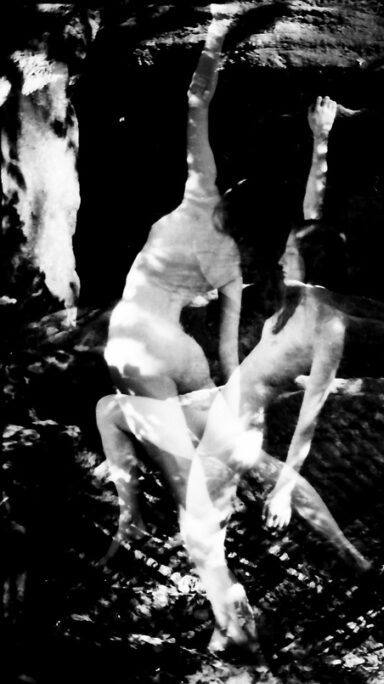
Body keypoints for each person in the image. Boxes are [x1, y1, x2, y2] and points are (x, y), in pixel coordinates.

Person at [96, 90, 371, 658]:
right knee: (112, 411)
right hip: (225, 407)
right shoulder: (299, 291)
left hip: (234, 423)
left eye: (291, 258)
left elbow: (311, 416)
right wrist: (321, 140)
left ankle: (236, 627)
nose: (282, 261)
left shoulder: (327, 326)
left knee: (202, 529)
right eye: (288, 255)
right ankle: (344, 564)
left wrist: (285, 490)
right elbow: (311, 213)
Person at [101, 11, 243, 552]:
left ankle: (197, 555)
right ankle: (175, 521)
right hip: (182, 354)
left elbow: (196, 102)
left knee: (181, 477)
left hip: (138, 342)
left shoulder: (202, 194)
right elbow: (227, 354)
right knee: (128, 423)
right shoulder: (232, 263)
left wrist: (216, 35)